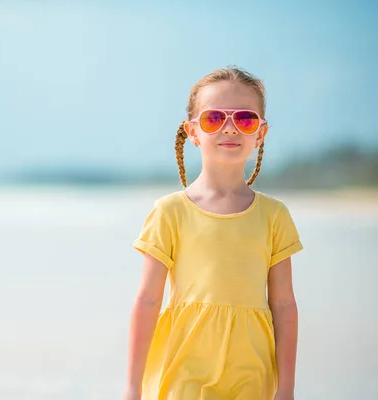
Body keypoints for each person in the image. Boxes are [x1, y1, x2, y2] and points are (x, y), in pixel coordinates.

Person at [123, 67, 303, 400]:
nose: (229, 128)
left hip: (253, 373)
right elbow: (148, 300)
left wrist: (287, 388)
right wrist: (132, 388)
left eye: (245, 119)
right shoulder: (170, 212)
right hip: (183, 371)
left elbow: (284, 304)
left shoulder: (274, 216)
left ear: (260, 133)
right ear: (193, 132)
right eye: (214, 118)